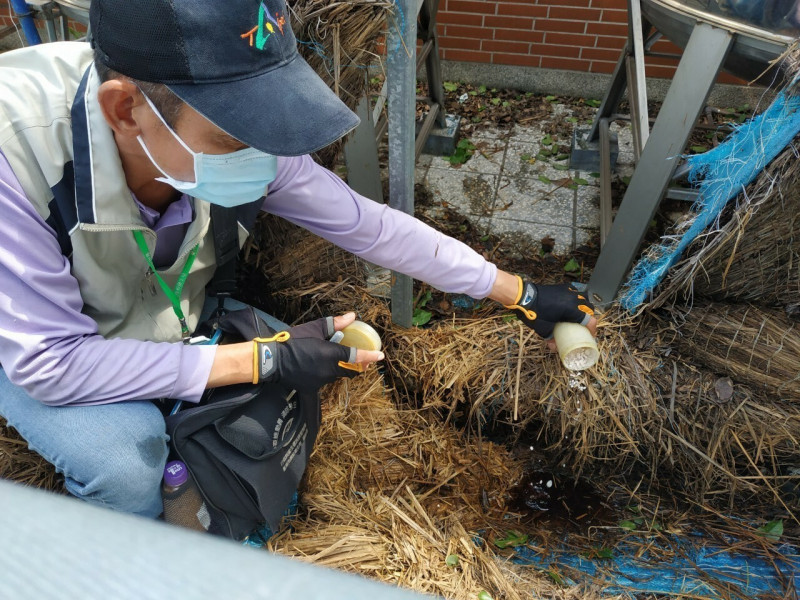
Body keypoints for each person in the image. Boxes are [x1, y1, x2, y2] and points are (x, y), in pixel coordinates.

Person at [0, 0, 596, 521]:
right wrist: (262, 361)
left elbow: (368, 226)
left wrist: (517, 292)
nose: (266, 153)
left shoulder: (192, 130)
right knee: (126, 461)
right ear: (125, 110)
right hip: (29, 337)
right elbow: (50, 363)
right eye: (239, 133)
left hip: (130, 308)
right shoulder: (16, 154)